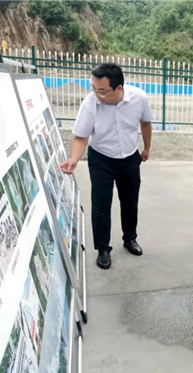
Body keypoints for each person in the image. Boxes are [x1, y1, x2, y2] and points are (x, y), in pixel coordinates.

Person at [59, 63, 154, 270]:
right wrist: (74, 159)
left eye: (102, 90)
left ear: (119, 88)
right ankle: (103, 248)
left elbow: (146, 123)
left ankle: (130, 238)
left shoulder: (139, 98)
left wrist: (146, 148)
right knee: (101, 204)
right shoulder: (90, 103)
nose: (97, 94)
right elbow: (80, 136)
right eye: (93, 88)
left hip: (129, 156)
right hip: (101, 158)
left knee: (130, 201)